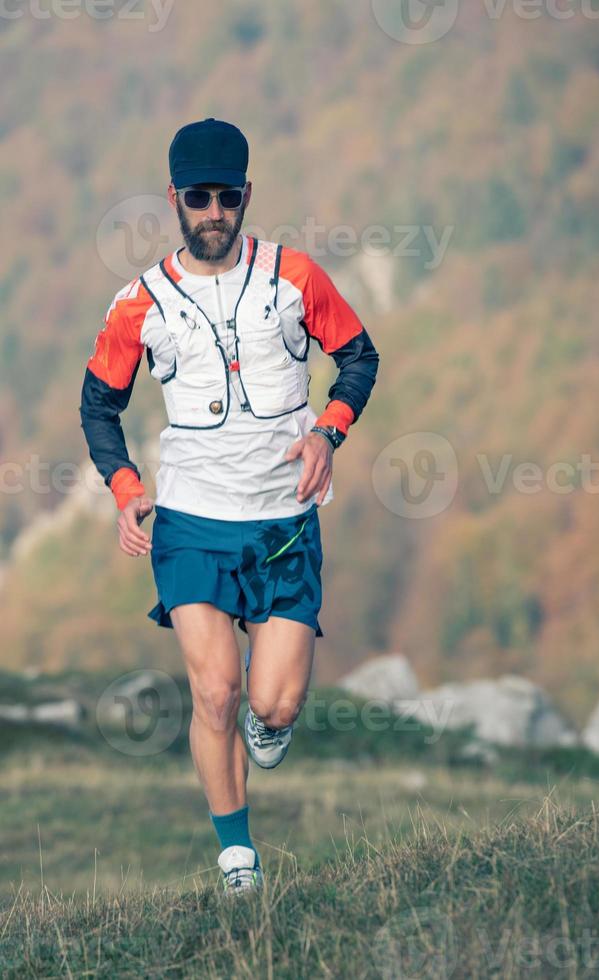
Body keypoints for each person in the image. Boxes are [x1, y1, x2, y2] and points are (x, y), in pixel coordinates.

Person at [79, 118, 379, 896]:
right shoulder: (137, 304)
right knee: (215, 689)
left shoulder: (296, 277)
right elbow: (98, 407)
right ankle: (237, 860)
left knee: (272, 705)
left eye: (226, 198)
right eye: (198, 197)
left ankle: (267, 724)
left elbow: (358, 357)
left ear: (246, 196)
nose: (213, 211)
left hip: (283, 521)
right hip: (191, 524)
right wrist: (126, 489)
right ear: (176, 199)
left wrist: (327, 431)